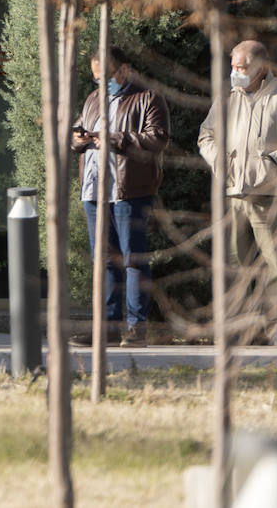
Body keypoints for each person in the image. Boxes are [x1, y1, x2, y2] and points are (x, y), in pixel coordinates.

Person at [198, 39, 277, 345]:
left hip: (271, 194)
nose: (235, 71)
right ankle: (239, 327)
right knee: (236, 264)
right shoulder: (227, 96)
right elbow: (205, 135)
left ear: (261, 67)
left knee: (276, 264)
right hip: (233, 191)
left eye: (242, 66)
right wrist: (219, 162)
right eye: (233, 66)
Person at [69, 46, 170, 348]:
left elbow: (158, 139)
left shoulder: (148, 98)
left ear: (124, 70)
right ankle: (108, 328)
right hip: (93, 191)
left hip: (129, 191)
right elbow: (79, 132)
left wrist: (114, 138)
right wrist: (76, 139)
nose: (101, 84)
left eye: (106, 76)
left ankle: (137, 328)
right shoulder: (92, 100)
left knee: (132, 259)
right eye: (97, 78)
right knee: (104, 261)